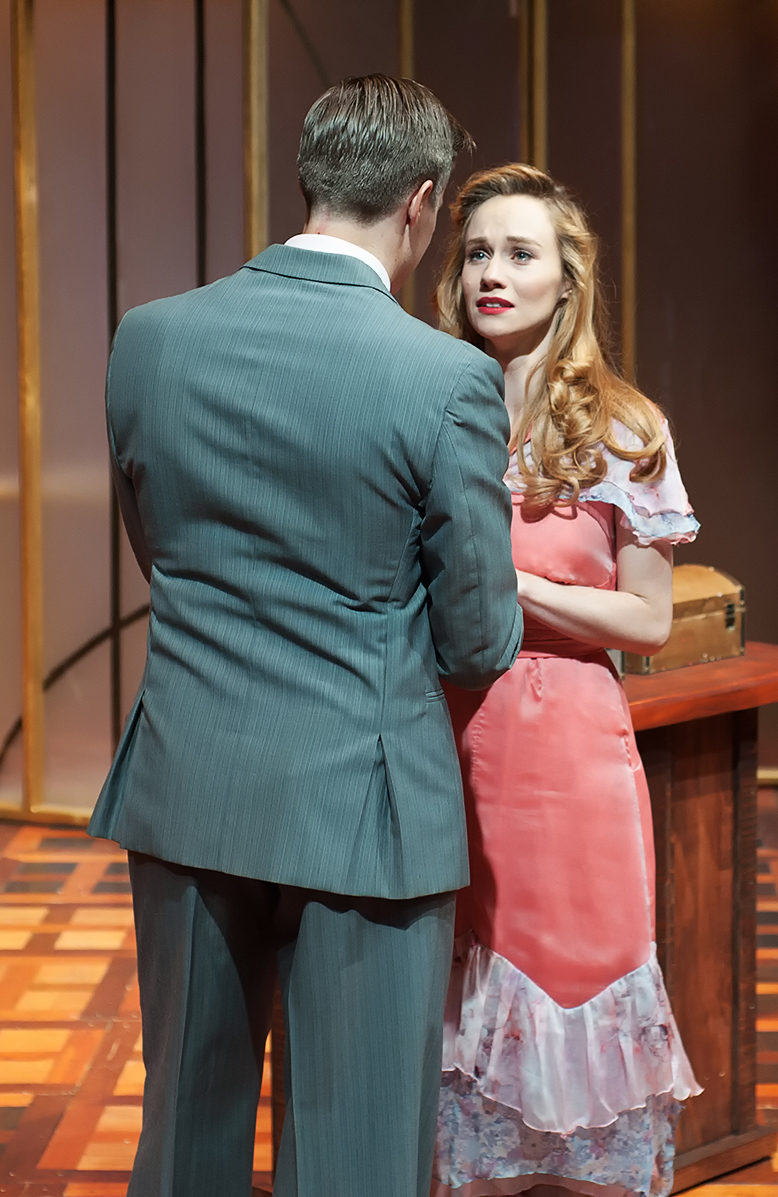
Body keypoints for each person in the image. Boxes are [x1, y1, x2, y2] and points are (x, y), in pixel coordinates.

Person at [89, 76, 522, 1196]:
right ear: (420, 204)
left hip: (190, 776)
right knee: (354, 1154)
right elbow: (479, 637)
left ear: (311, 180)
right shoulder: (445, 377)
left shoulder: (149, 339)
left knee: (184, 1132)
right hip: (365, 805)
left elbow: (157, 550)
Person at [430, 164, 701, 1197]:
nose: (491, 274)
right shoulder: (433, 406)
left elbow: (649, 621)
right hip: (446, 735)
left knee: (574, 972)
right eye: (477, 254)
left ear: (567, 279)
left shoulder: (625, 428)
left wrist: (511, 583)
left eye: (519, 253)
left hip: (569, 749)